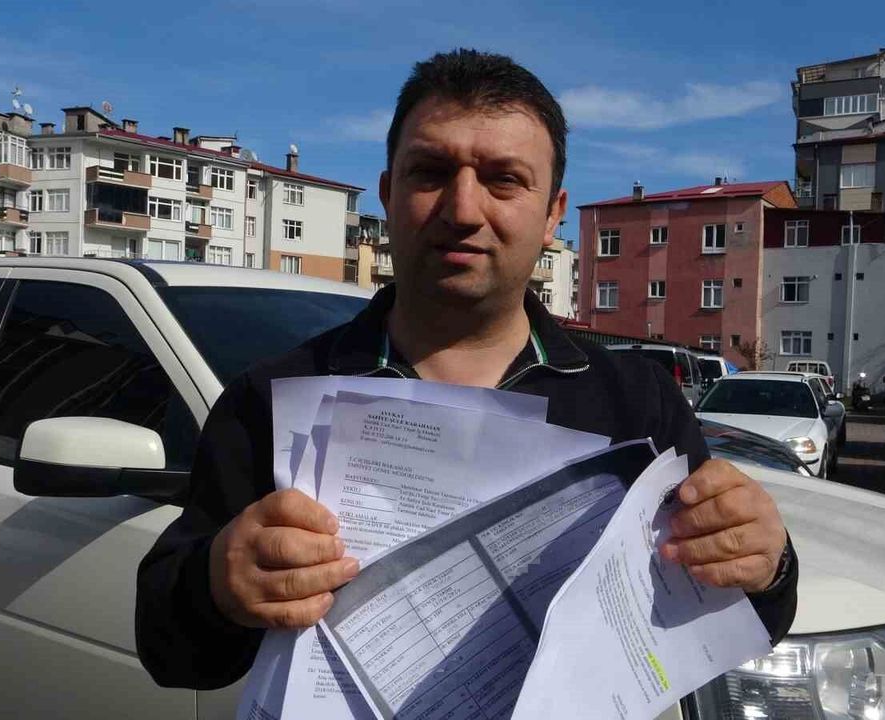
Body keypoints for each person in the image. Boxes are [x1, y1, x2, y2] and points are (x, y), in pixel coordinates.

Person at [136, 48, 797, 690]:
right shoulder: (273, 398)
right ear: (389, 194)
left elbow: (727, 625)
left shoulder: (638, 402)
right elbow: (172, 654)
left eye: (503, 179)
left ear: (553, 214)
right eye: (430, 172)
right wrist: (216, 584)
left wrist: (768, 565)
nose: (462, 210)